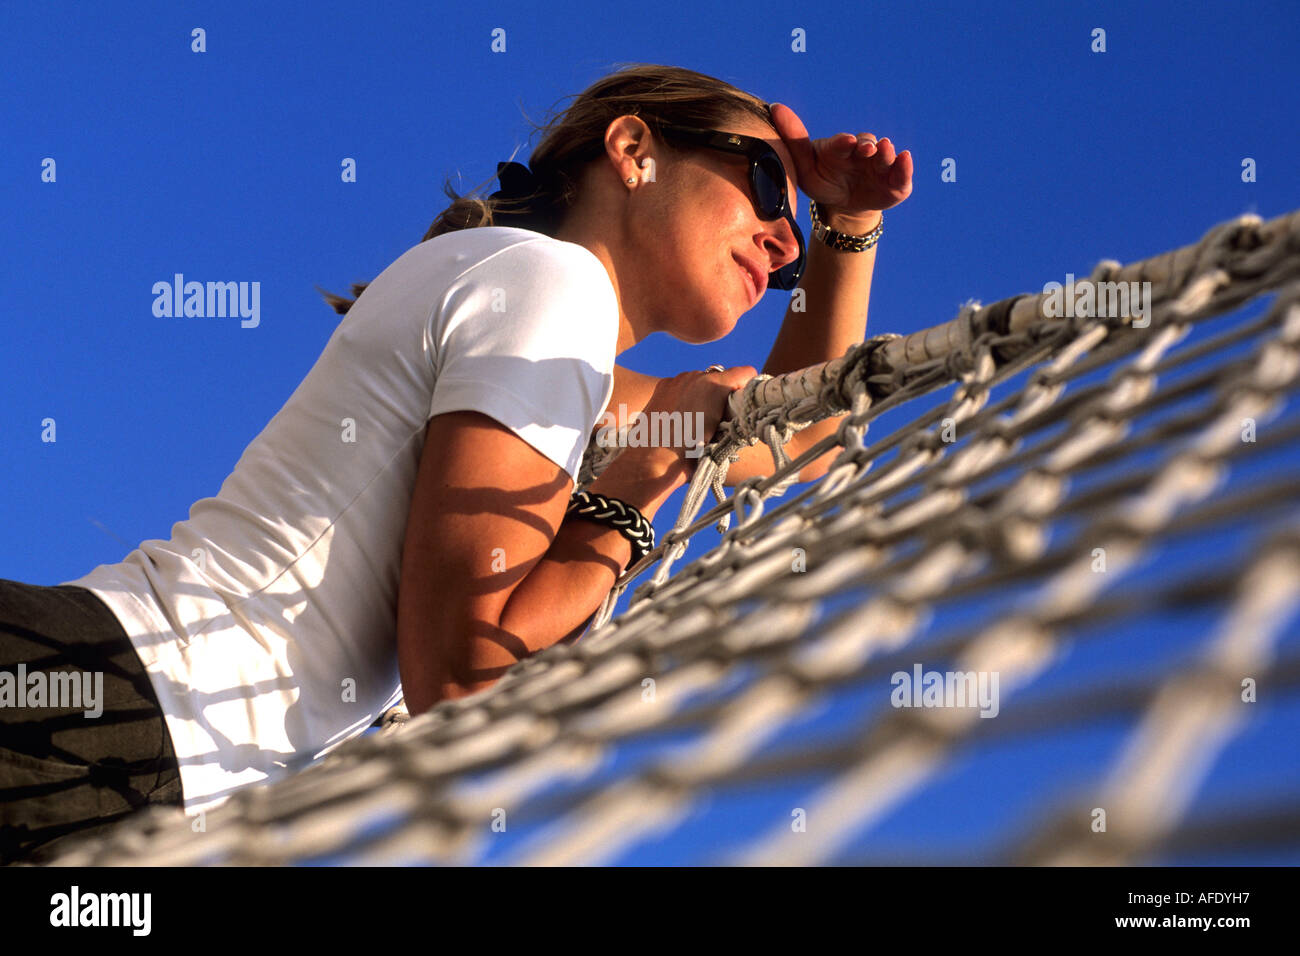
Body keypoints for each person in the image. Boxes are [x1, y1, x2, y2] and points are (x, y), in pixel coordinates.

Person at [0, 63, 912, 864]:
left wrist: (849, 224)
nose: (784, 241)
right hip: (102, 718)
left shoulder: (548, 334)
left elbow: (799, 444)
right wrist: (639, 489)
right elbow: (465, 672)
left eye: (797, 242)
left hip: (119, 744)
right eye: (762, 183)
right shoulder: (554, 288)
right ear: (634, 150)